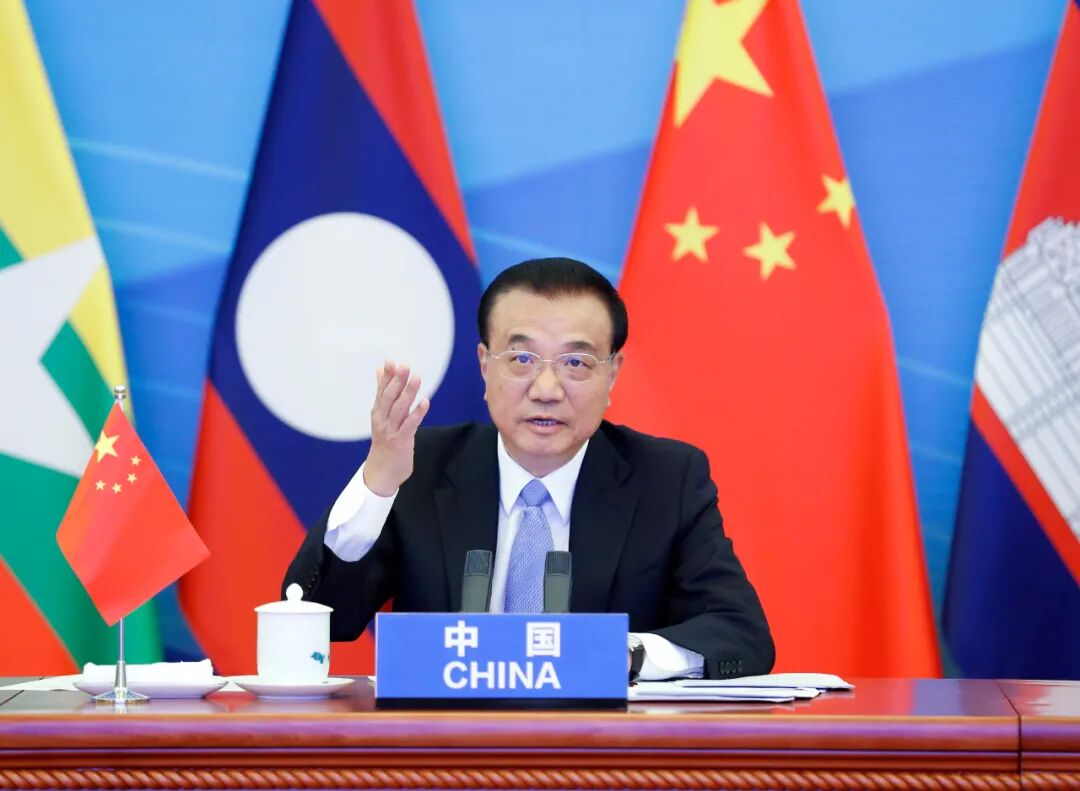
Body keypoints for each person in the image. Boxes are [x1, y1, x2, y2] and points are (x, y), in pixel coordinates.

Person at [285, 257, 774, 680]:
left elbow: (740, 632)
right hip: (447, 749)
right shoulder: (420, 468)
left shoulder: (666, 479)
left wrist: (624, 655)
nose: (546, 389)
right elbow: (322, 618)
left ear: (612, 373)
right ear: (485, 365)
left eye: (575, 363)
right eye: (521, 358)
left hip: (602, 752)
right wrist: (378, 485)